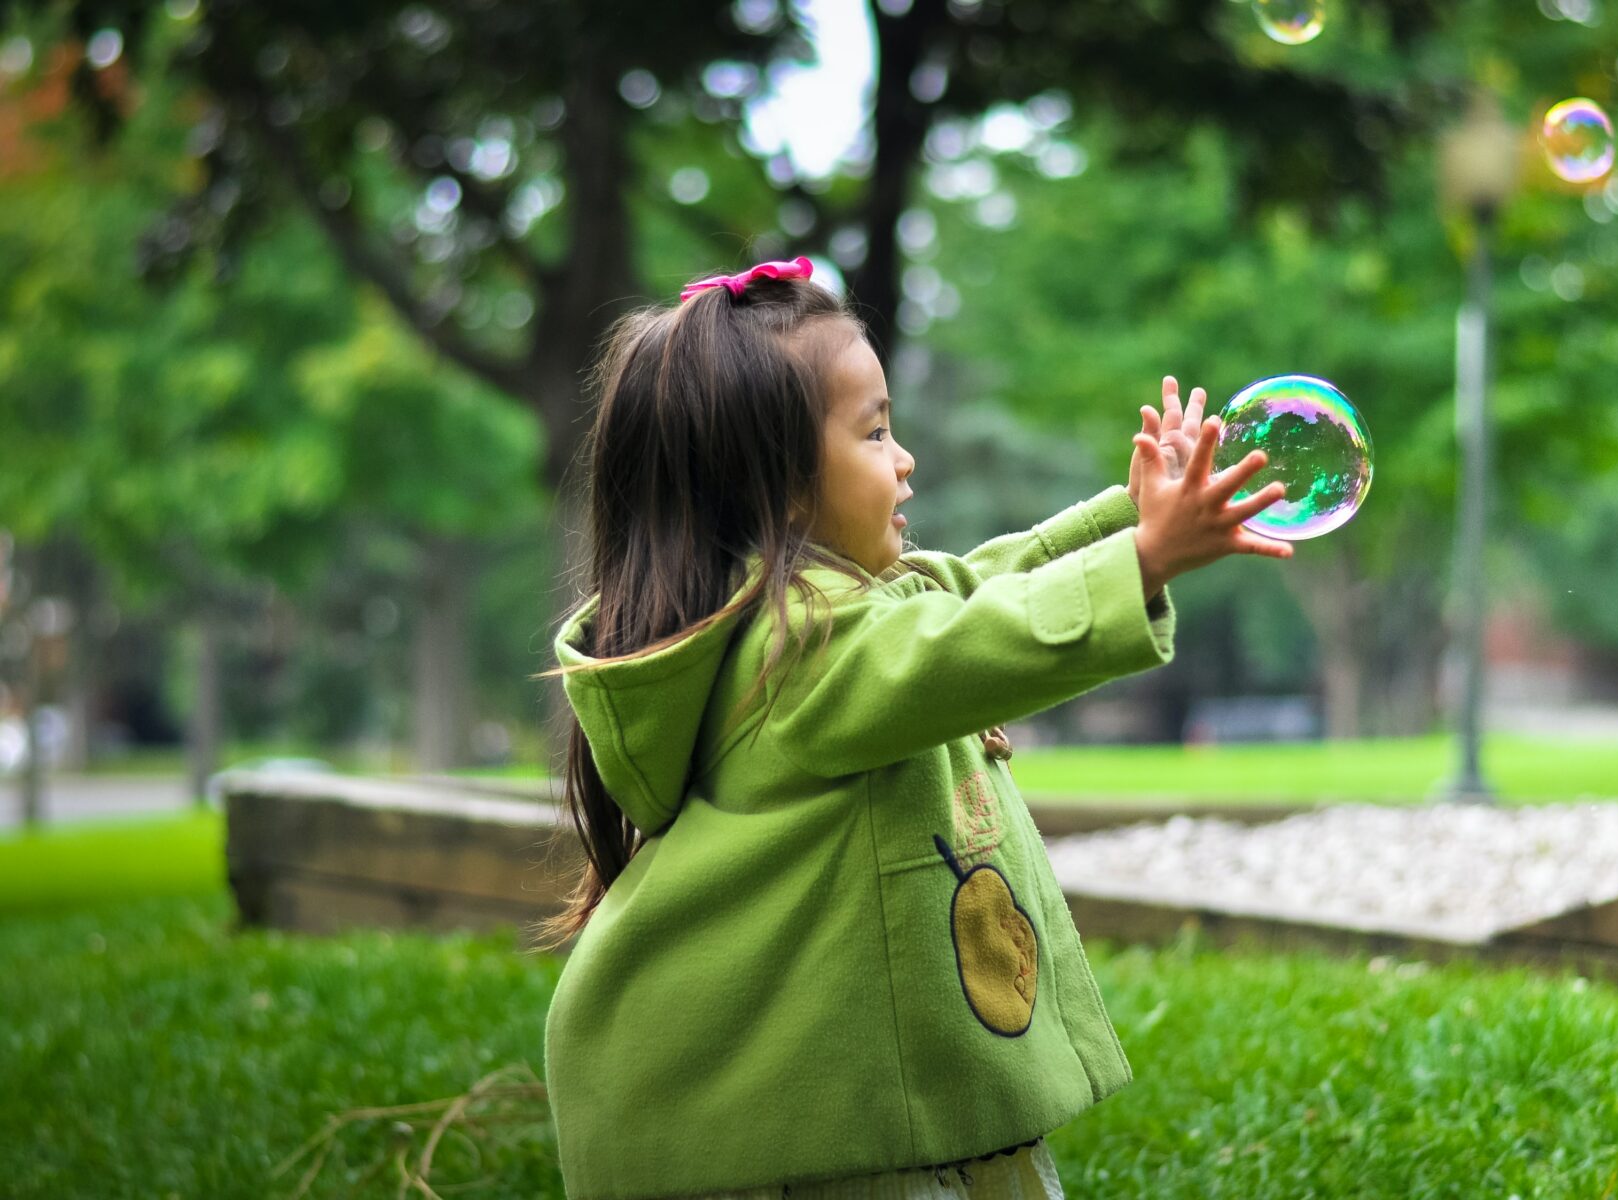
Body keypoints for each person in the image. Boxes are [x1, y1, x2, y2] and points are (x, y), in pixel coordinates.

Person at [534, 257, 1291, 1199]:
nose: (905, 458)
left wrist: (1130, 522)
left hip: (860, 1117)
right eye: (876, 430)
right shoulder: (797, 654)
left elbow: (968, 587)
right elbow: (969, 640)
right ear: (783, 488)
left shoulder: (828, 618)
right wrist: (1140, 559)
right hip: (816, 1152)